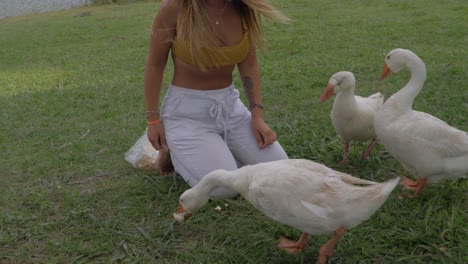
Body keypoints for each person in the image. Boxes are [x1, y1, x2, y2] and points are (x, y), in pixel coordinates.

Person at [143, 0, 289, 197]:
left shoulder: (245, 8)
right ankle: (175, 151)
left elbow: (250, 66)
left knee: (281, 171)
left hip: (230, 108)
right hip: (186, 114)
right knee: (223, 189)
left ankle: (214, 149)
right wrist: (153, 119)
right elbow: (154, 65)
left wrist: (257, 116)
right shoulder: (175, 8)